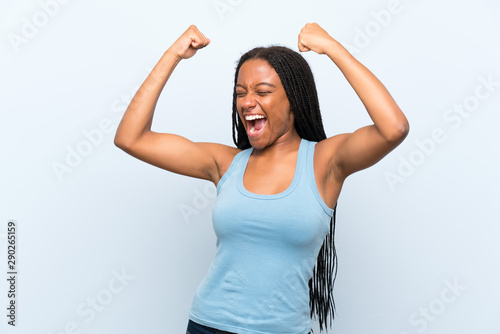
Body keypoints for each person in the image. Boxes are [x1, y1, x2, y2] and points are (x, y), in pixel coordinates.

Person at [114, 23, 409, 334]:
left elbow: (394, 128)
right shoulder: (226, 163)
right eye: (240, 93)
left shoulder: (326, 162)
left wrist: (332, 47)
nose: (246, 102)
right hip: (208, 325)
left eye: (263, 91)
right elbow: (131, 138)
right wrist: (173, 54)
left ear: (293, 99)